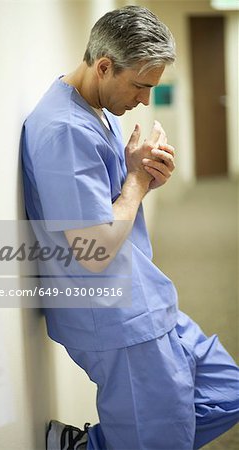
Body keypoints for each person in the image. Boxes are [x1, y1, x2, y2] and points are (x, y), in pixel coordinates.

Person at [21, 5, 239, 450]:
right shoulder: (63, 130)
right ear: (103, 66)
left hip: (144, 296)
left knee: (228, 392)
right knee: (159, 441)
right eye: (140, 86)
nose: (144, 100)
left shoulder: (94, 107)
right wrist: (137, 182)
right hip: (115, 320)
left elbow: (106, 205)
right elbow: (94, 248)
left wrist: (139, 173)